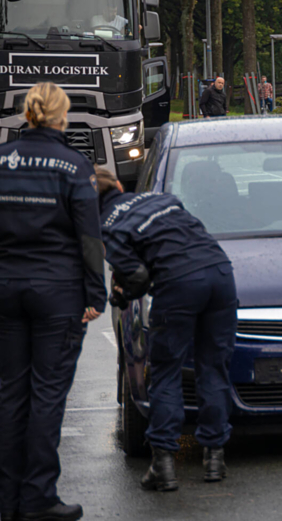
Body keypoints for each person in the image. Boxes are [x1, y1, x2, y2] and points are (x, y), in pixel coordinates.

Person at [94, 168, 237, 491]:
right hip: (219, 272)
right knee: (213, 367)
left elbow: (136, 277)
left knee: (166, 372)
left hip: (178, 284)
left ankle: (163, 464)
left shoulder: (109, 226)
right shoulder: (163, 199)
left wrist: (120, 295)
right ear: (118, 185)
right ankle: (215, 457)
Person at [0, 82, 105, 521]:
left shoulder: (2, 162)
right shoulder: (74, 165)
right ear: (61, 116)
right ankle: (39, 497)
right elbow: (88, 236)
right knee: (47, 396)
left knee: (8, 396)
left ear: (27, 114)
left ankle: (6, 500)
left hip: (6, 288)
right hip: (57, 292)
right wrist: (96, 294)